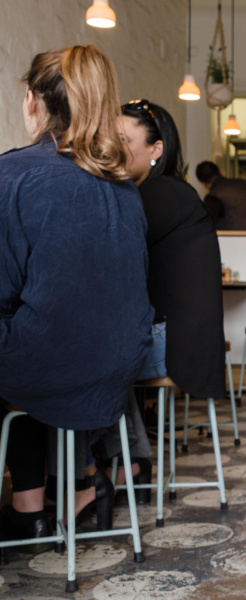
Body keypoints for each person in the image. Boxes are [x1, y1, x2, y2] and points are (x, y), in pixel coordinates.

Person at [0, 45, 153, 547]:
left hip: (50, 367)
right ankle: (40, 503)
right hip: (115, 371)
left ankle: (28, 510)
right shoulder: (124, 187)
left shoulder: (14, 174)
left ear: (32, 101)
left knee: (20, 346)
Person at [120, 100, 227, 405]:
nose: (112, 148)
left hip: (174, 345)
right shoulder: (163, 191)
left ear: (156, 150)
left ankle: (115, 439)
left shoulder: (161, 193)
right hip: (182, 339)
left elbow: (111, 253)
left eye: (124, 140)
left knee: (79, 359)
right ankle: (126, 437)